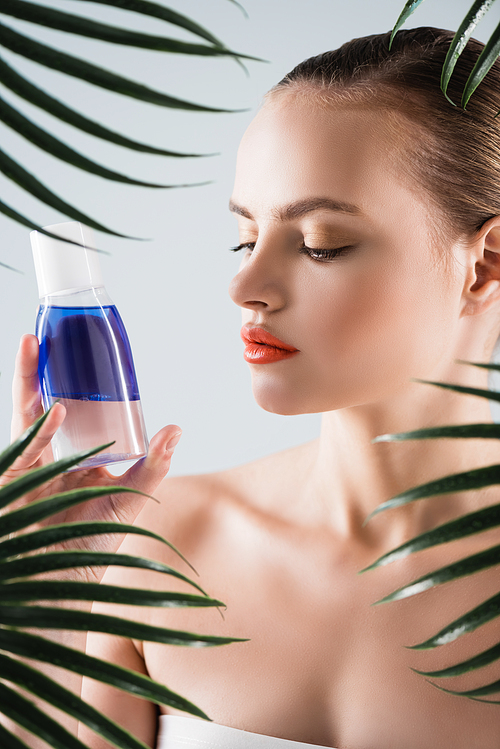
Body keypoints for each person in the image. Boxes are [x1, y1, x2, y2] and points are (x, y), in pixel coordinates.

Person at [6, 25, 500, 749]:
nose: (245, 284)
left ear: (485, 264)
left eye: (320, 243)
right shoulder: (158, 540)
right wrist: (43, 600)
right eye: (245, 238)